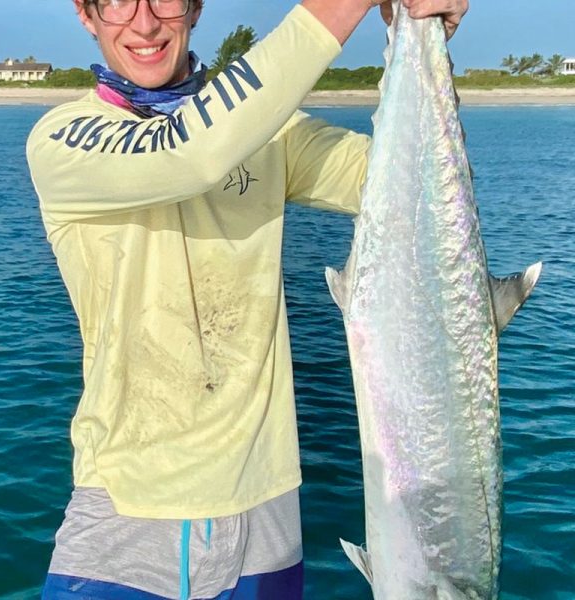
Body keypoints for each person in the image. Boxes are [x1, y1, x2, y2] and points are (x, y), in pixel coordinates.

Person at [27, 0, 469, 598]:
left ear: (195, 7)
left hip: (269, 513)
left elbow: (395, 184)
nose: (145, 21)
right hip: (131, 519)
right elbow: (192, 152)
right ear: (85, 14)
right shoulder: (60, 142)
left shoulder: (269, 132)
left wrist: (414, 34)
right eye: (116, 0)